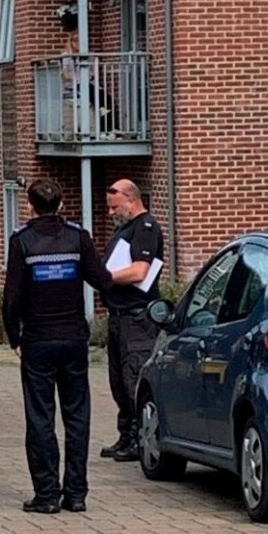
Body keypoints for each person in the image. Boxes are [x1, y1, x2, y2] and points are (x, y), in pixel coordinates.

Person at [2, 177, 112, 514]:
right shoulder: (78, 238)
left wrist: (14, 337)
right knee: (77, 416)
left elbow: (11, 297)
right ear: (62, 204)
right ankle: (76, 493)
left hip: (37, 339)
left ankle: (47, 494)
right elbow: (102, 280)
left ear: (30, 206)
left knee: (40, 417)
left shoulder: (22, 241)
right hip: (74, 338)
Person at [100, 179, 165, 463]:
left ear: (131, 199)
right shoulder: (126, 229)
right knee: (118, 380)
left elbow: (140, 271)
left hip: (137, 317)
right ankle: (126, 434)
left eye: (115, 207)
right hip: (119, 315)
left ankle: (140, 437)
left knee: (133, 379)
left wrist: (104, 278)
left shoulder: (145, 228)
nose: (112, 213)